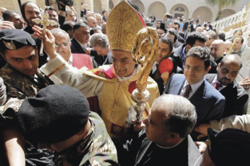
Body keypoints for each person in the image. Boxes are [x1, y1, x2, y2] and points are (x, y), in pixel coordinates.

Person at [37, 1, 159, 139]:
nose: (117, 66)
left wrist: (144, 128)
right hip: (105, 141)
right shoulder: (103, 75)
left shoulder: (150, 86)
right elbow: (73, 80)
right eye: (114, 59)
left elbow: (156, 121)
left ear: (136, 57)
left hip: (135, 143)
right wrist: (52, 54)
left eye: (124, 60)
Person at [16, 85, 119, 166]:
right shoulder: (80, 114)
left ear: (80, 131)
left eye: (51, 142)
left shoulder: (97, 162)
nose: (42, 146)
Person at [0, 29, 54, 166]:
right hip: (35, 153)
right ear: (3, 56)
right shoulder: (5, 83)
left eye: (31, 57)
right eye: (17, 60)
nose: (28, 65)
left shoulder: (39, 72)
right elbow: (11, 128)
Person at [118, 94, 201, 166]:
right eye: (149, 117)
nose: (144, 121)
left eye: (151, 121)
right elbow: (128, 152)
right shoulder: (156, 131)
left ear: (172, 137)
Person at [164, 46, 225, 137]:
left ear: (207, 70)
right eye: (187, 66)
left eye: (196, 68)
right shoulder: (174, 79)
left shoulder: (215, 100)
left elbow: (208, 133)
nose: (190, 72)